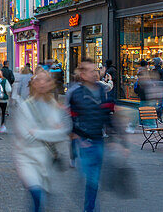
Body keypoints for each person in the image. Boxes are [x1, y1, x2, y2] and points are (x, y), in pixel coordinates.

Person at [12, 72, 71, 212]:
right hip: (27, 159)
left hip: (47, 160)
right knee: (37, 195)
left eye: (46, 80)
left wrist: (37, 132)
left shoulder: (56, 107)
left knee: (44, 200)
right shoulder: (24, 107)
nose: (42, 83)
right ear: (34, 83)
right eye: (39, 80)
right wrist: (52, 132)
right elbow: (25, 135)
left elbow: (63, 133)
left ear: (51, 84)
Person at [67, 59, 114, 212]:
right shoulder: (75, 93)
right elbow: (70, 116)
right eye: (91, 70)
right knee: (92, 180)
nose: (95, 73)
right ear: (82, 74)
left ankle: (89, 206)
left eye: (96, 70)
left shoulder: (101, 90)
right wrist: (74, 134)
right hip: (85, 142)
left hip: (98, 139)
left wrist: (114, 136)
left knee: (94, 180)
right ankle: (90, 208)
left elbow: (106, 113)